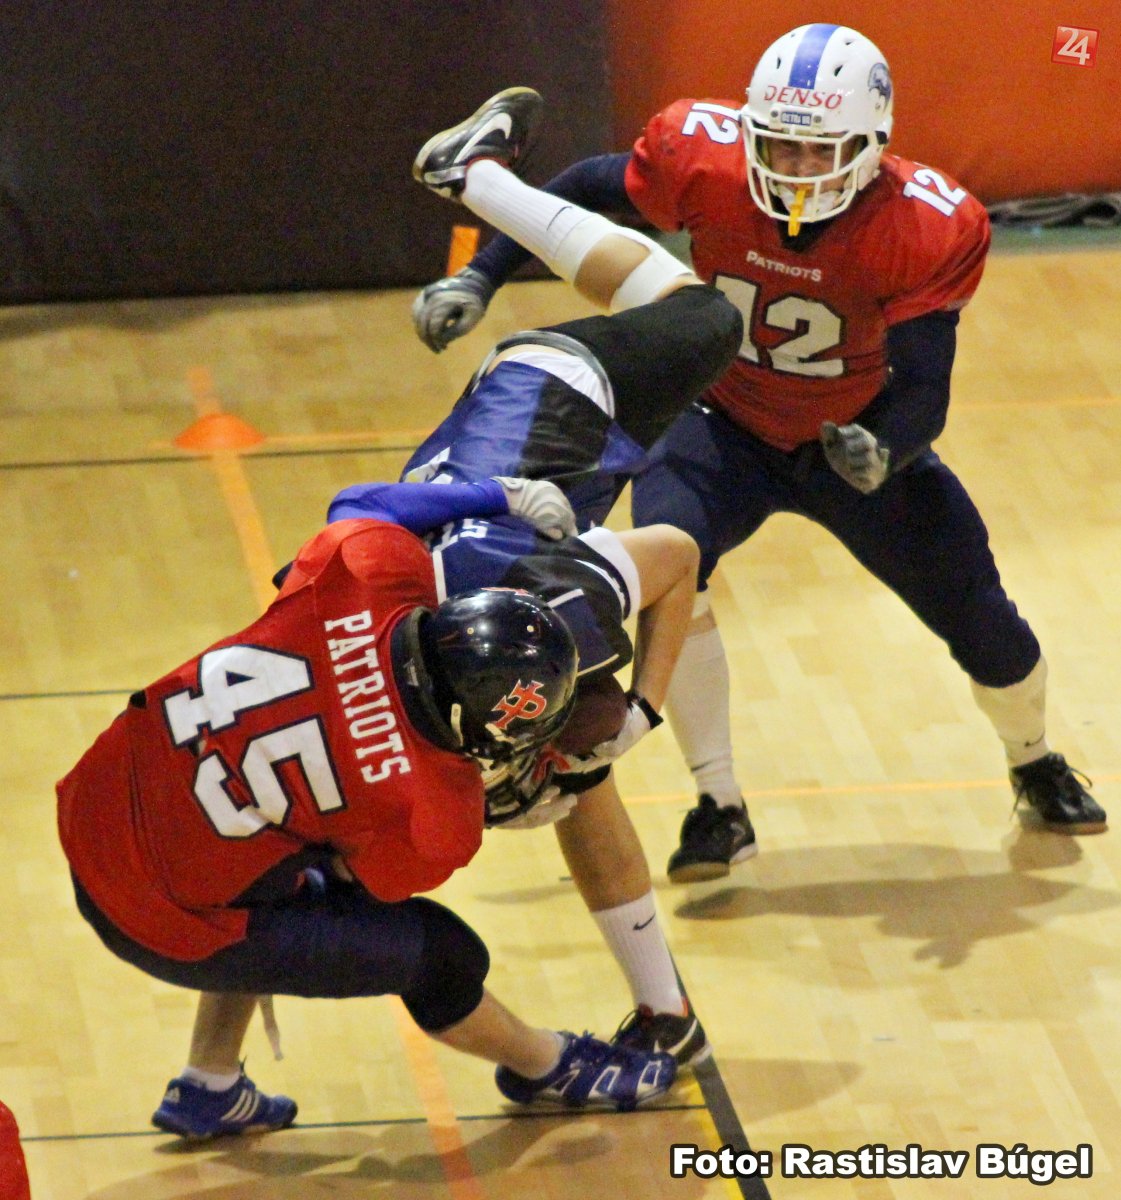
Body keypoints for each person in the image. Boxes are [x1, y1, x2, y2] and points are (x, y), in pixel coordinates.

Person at [107, 87, 742, 1141]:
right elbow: (351, 525)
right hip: (414, 573)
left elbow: (675, 558)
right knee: (539, 792)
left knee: (703, 317)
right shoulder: (359, 596)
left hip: (545, 404)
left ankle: (479, 184)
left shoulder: (559, 601)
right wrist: (547, 770)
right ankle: (475, 181)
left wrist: (637, 715)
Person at [411, 25, 1106, 886]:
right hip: (718, 422)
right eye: (780, 145)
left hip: (845, 442)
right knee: (673, 583)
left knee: (984, 623)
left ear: (870, 145)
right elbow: (587, 186)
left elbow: (924, 388)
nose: (797, 169)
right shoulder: (705, 159)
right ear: (750, 130)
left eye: (820, 152)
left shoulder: (926, 223)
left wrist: (882, 450)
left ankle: (1032, 757)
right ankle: (718, 802)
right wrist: (479, 276)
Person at [57, 473, 683, 1140]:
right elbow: (368, 879)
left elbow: (363, 503)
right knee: (440, 955)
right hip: (153, 916)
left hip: (103, 794)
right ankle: (548, 1067)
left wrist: (501, 494)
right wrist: (490, 806)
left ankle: (209, 1085)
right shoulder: (434, 813)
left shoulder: (365, 569)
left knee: (270, 853)